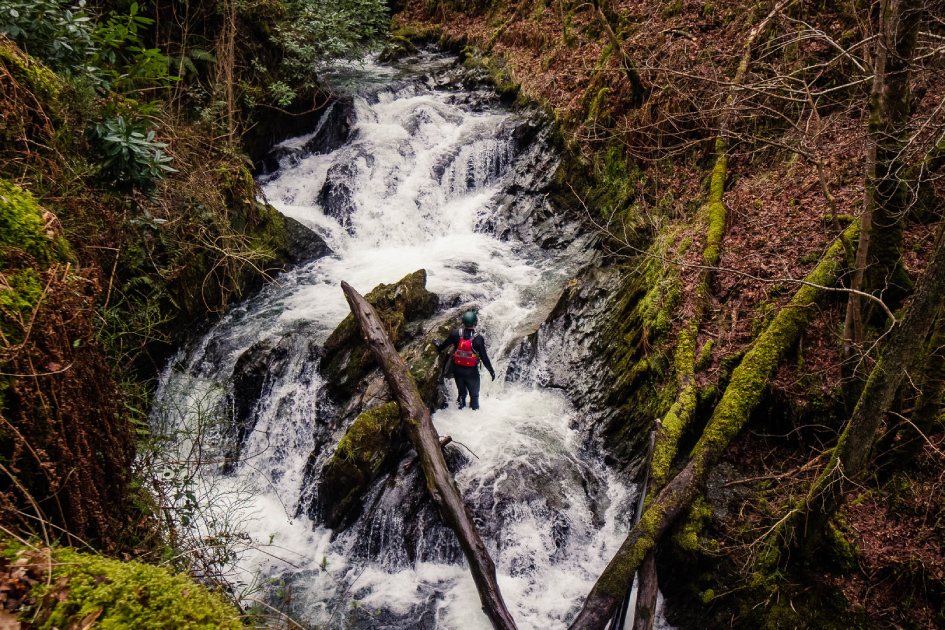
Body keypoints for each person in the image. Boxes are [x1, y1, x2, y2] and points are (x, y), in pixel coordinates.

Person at [433, 310, 495, 410]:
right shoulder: (478, 339)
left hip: (458, 371)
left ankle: (460, 412)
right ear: (475, 322)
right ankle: (474, 416)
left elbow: (442, 347)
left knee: (461, 394)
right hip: (471, 373)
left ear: (464, 322)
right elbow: (484, 358)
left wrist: (437, 344)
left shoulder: (455, 334)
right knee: (474, 396)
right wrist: (491, 371)